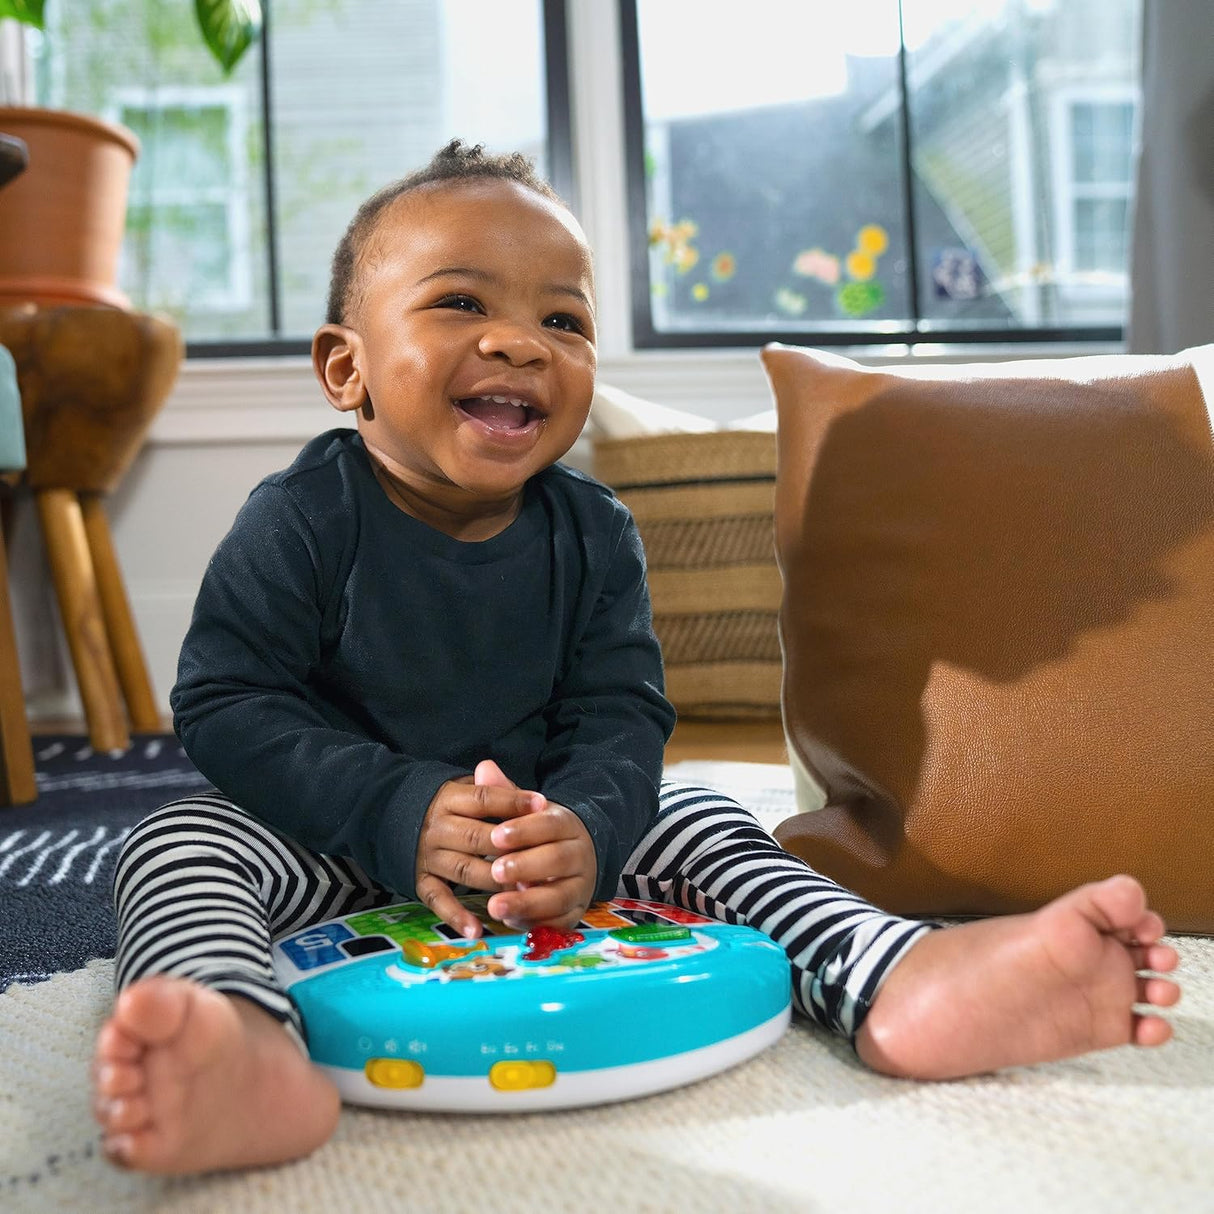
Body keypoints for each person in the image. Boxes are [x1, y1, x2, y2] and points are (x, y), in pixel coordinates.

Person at [90, 141, 1181, 1176]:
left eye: (561, 318)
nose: (519, 340)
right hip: (337, 841)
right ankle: (237, 1037)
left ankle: (894, 972)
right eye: (461, 301)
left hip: (553, 838)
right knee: (178, 840)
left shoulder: (594, 530)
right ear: (346, 367)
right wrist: (395, 804)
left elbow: (619, 713)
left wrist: (592, 829)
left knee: (706, 814)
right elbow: (227, 703)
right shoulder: (298, 519)